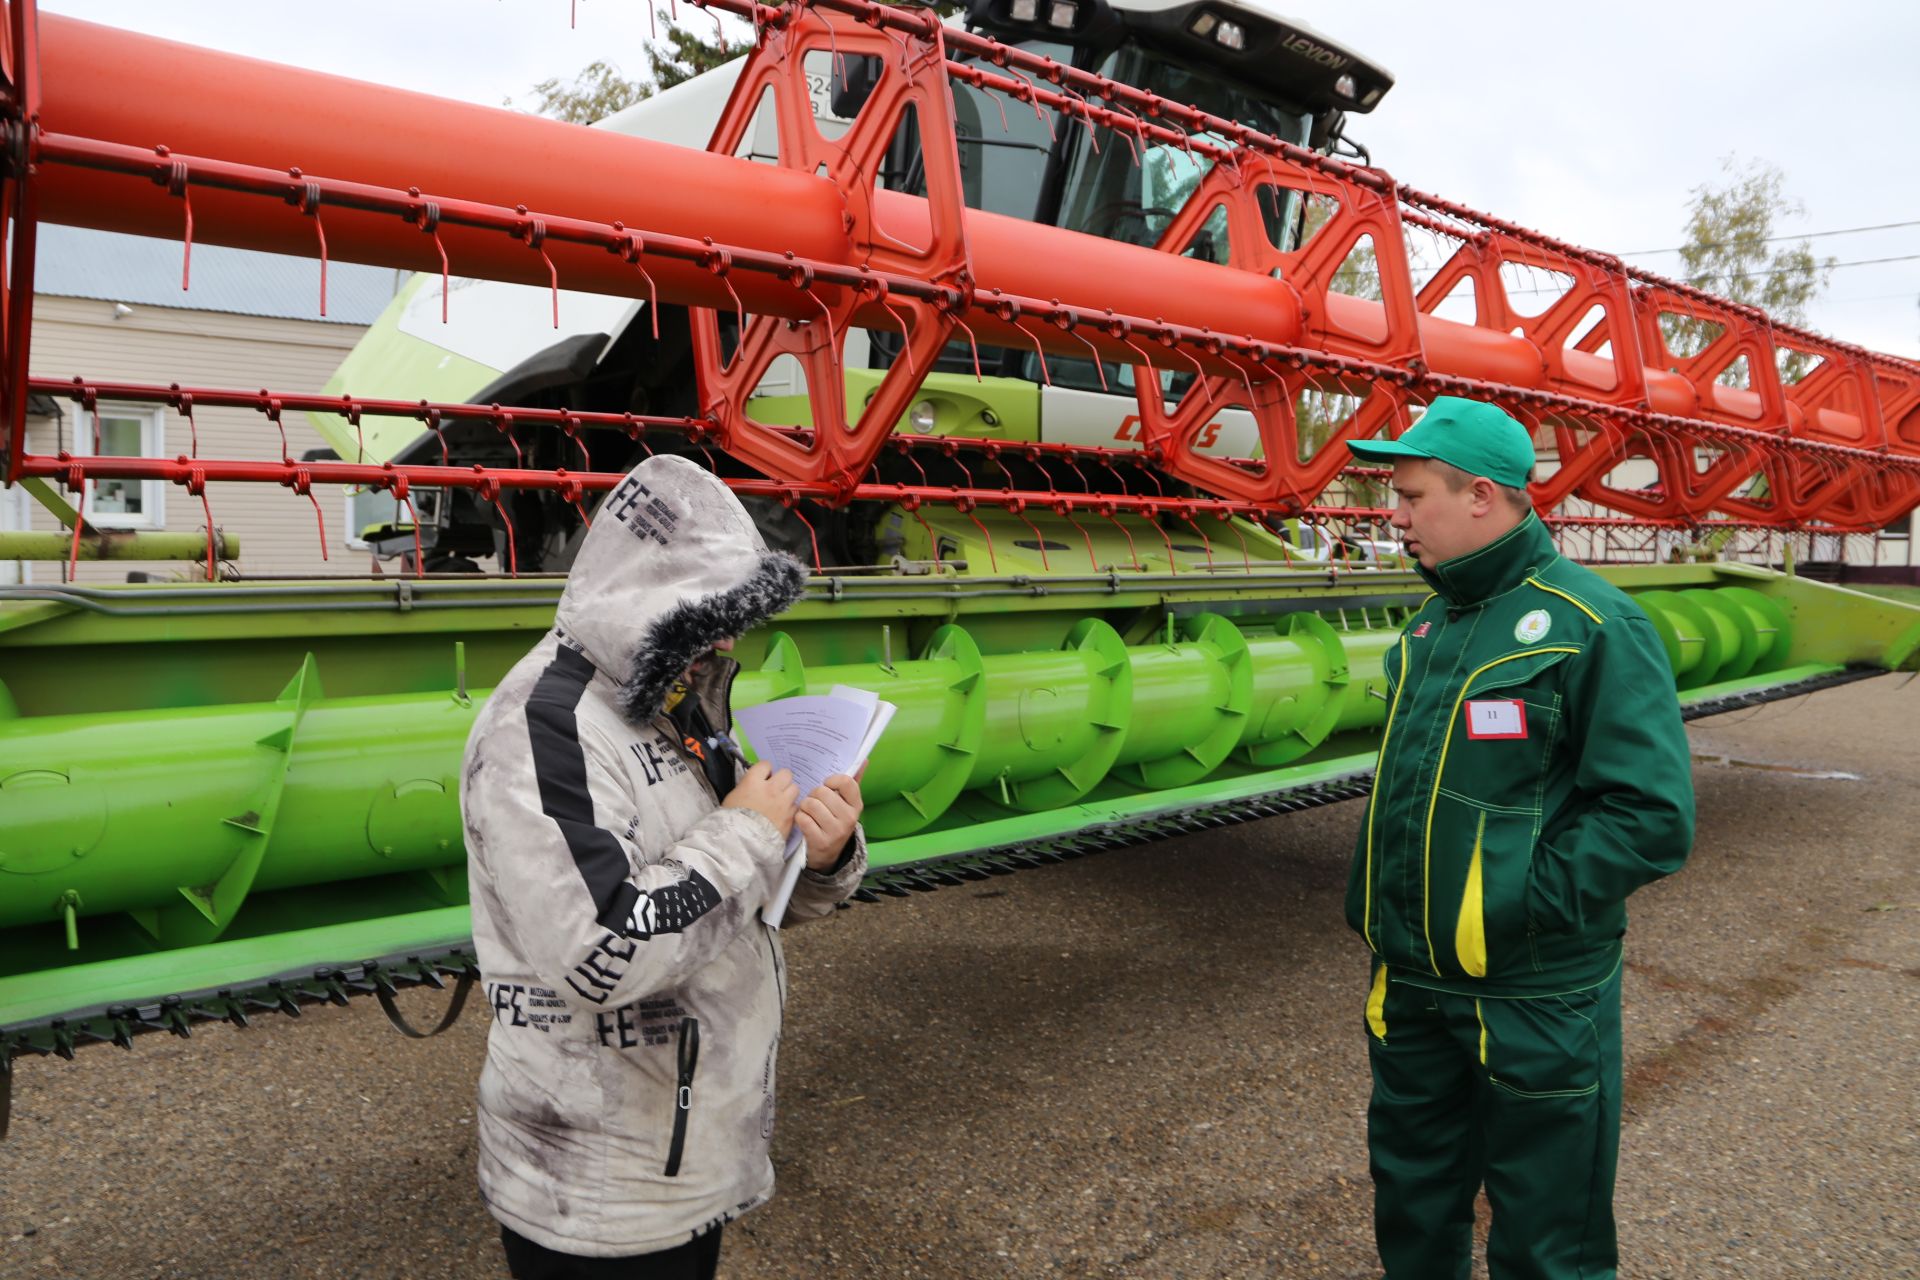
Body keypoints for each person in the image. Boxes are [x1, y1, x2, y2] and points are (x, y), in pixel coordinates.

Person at [460, 453, 867, 1279]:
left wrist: (817, 855)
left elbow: (735, 897)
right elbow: (601, 952)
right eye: (711, 614)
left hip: (680, 1149)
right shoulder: (539, 731)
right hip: (598, 1187)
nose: (727, 638)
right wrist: (749, 834)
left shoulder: (671, 700)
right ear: (650, 595)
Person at [1344, 396, 1695, 1280]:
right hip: (1413, 990)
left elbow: (1650, 817)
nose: (1395, 514)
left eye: (1412, 495)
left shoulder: (1594, 624)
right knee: (1413, 1212)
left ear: (1482, 496)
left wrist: (1521, 909)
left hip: (1534, 998)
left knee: (1550, 1240)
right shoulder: (1428, 628)